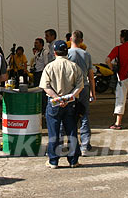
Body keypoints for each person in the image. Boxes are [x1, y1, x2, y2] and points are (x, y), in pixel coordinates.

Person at [40, 40, 84, 168]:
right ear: (67, 52)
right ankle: (73, 160)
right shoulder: (74, 66)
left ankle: (53, 161)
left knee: (54, 132)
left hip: (54, 104)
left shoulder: (49, 67)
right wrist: (69, 97)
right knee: (71, 131)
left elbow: (45, 86)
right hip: (70, 104)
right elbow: (79, 86)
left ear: (54, 52)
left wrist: (57, 98)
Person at [67, 30, 96, 156]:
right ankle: (85, 145)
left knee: (69, 116)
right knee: (84, 115)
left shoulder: (66, 54)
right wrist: (93, 93)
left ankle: (71, 144)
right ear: (82, 41)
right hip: (84, 87)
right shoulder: (86, 54)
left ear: (70, 40)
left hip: (70, 88)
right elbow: (91, 75)